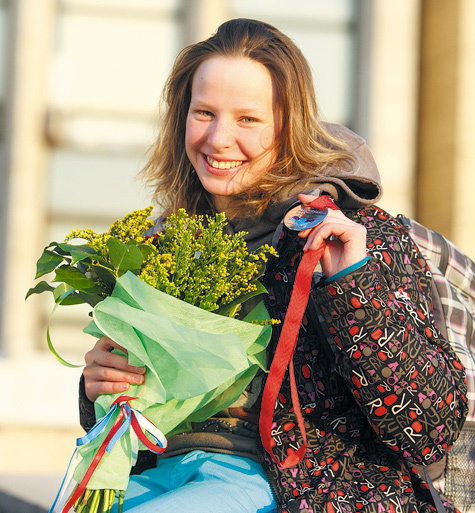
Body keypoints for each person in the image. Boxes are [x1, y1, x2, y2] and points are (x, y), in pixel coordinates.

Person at [78, 18, 468, 513]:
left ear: (290, 126)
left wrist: (352, 287)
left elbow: (432, 427)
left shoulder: (353, 234)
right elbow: (147, 408)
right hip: (165, 470)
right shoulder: (161, 245)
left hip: (305, 488)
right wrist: (99, 387)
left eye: (248, 119)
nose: (218, 139)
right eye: (204, 112)